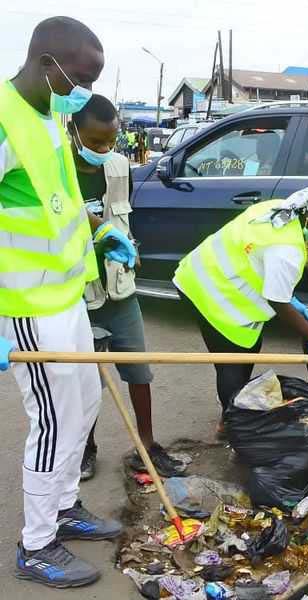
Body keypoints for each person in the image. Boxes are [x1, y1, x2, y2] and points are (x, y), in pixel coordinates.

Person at [0, 16, 138, 588]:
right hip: (27, 304)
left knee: (82, 405)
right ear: (46, 63)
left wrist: (97, 229)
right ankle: (35, 546)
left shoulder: (52, 117)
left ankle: (62, 507)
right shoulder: (5, 122)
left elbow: (53, 202)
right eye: (79, 78)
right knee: (53, 420)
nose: (82, 91)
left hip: (67, 297)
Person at [68, 94, 185, 481]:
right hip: (77, 295)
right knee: (86, 381)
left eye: (111, 141)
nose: (105, 150)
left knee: (138, 370)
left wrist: (129, 246)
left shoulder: (120, 167)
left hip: (119, 288)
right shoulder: (57, 170)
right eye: (97, 142)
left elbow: (123, 219)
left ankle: (146, 446)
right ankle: (85, 447)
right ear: (73, 131)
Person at [173, 183, 308, 429]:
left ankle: (234, 414)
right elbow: (277, 302)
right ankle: (234, 426)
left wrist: (293, 300)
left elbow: (261, 263)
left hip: (206, 274)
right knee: (232, 359)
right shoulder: (288, 249)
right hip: (209, 291)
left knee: (249, 349)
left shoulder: (278, 209)